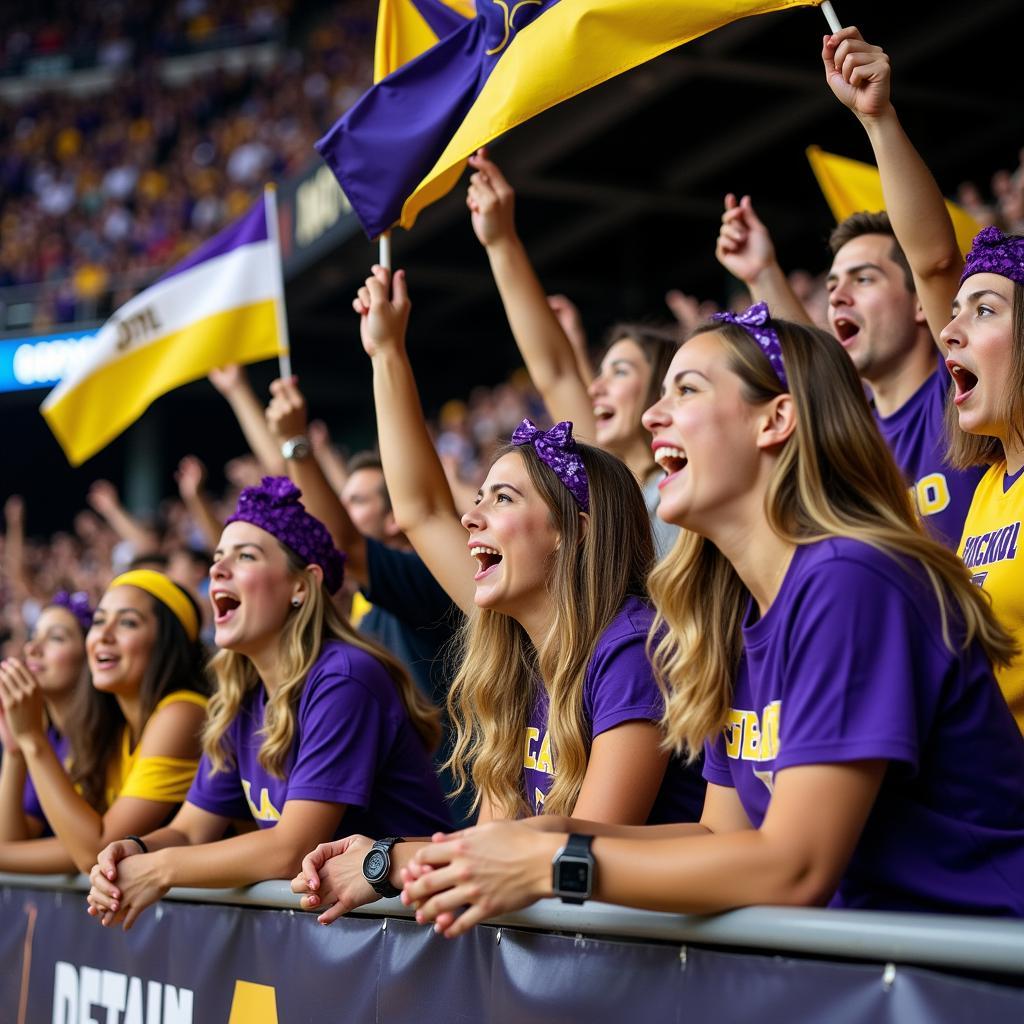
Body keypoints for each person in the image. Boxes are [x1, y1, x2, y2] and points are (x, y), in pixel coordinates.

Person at [399, 304, 1024, 935]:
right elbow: (720, 832)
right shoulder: (737, 612)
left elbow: (794, 867)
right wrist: (535, 837)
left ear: (774, 420)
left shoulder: (853, 579)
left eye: (687, 389)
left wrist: (554, 863)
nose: (651, 416)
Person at [289, 266, 704, 925]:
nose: (470, 519)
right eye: (477, 499)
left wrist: (394, 862)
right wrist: (381, 858)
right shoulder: (518, 658)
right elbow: (500, 844)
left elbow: (578, 854)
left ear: (575, 533)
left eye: (501, 499)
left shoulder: (630, 647)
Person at [84, 478, 451, 930]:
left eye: (245, 556)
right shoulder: (242, 696)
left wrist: (161, 869)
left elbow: (290, 848)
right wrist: (136, 850)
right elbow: (190, 830)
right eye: (217, 559)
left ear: (301, 585)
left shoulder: (343, 678)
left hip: (418, 939)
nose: (217, 570)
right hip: (345, 941)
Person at [822, 27, 1024, 728]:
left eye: (986, 309)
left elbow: (936, 262)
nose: (952, 331)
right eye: (954, 315)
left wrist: (879, 119)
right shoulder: (993, 480)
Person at [716, 199, 983, 549]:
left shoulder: (960, 388)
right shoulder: (850, 431)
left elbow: (937, 262)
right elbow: (810, 365)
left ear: (921, 300)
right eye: (831, 286)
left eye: (863, 279)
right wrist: (761, 272)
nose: (838, 297)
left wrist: (880, 138)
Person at [466, 149, 680, 557]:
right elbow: (556, 372)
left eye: (619, 371)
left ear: (664, 389)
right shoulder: (607, 491)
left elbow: (560, 372)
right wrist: (499, 241)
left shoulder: (693, 490)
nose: (595, 385)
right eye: (601, 372)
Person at [0, 570, 208, 874]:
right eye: (99, 621)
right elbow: (75, 843)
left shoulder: (182, 712)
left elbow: (94, 850)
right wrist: (17, 747)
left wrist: (33, 739)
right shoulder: (116, 728)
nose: (104, 635)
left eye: (127, 622)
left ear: (166, 643)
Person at [0, 592, 91, 844]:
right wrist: (14, 748)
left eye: (56, 638)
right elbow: (13, 836)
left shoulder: (105, 734)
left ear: (90, 655)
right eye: (33, 636)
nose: (32, 649)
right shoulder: (46, 735)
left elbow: (93, 846)